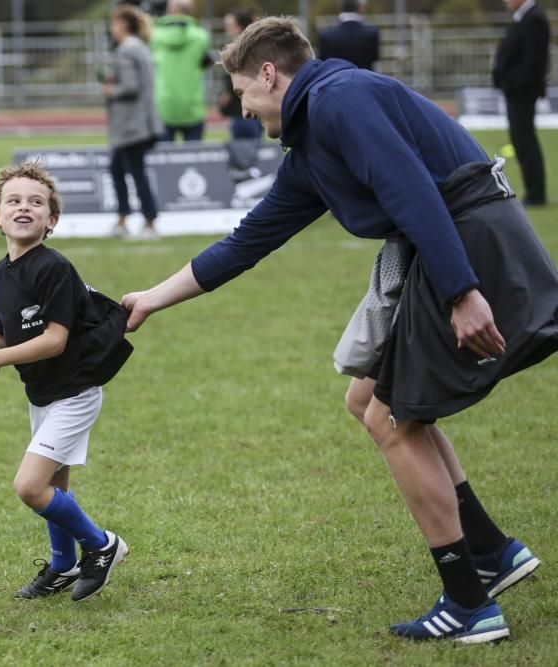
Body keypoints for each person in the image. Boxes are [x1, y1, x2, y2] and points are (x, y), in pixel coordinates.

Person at [122, 17, 557, 643]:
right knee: (367, 400)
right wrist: (151, 301)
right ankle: (491, 549)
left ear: (269, 74)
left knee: (390, 419)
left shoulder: (339, 99)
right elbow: (247, 242)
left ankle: (469, 602)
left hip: (465, 241)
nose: (241, 109)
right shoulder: (311, 146)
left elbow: (413, 191)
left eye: (242, 93)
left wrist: (463, 293)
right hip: (452, 242)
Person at [0, 162, 133, 602]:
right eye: (13, 201)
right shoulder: (1, 272)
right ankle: (63, 566)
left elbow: (53, 340)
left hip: (74, 392)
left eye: (36, 202)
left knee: (30, 487)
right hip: (43, 394)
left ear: (52, 221)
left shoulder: (53, 268)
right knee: (55, 488)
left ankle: (102, 545)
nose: (24, 208)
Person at [103, 4, 162, 240]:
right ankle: (123, 220)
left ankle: (149, 223)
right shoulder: (141, 47)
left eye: (114, 23)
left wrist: (111, 89)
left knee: (135, 173)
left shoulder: (126, 50)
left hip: (132, 125)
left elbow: (130, 86)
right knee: (117, 169)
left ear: (123, 25)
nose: (111, 28)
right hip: (141, 122)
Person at [493, 0, 550, 207]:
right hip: (516, 92)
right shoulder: (524, 18)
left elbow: (532, 60)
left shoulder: (533, 18)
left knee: (525, 141)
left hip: (522, 93)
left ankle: (536, 194)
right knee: (521, 141)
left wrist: (512, 83)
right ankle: (533, 191)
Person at [150, 0, 212, 142]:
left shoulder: (155, 36)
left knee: (164, 158)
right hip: (192, 104)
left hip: (163, 104)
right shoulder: (201, 36)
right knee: (194, 159)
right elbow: (204, 62)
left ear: (170, 10)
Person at [218, 10, 262, 140]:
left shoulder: (244, 49)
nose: (227, 30)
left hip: (245, 110)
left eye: (229, 25)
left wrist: (228, 93)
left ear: (239, 26)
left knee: (244, 152)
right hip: (248, 110)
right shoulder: (251, 46)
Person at [317, 0, 380, 71]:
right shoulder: (371, 33)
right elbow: (374, 58)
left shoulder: (326, 35)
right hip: (365, 79)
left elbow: (322, 61)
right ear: (359, 8)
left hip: (336, 80)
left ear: (341, 8)